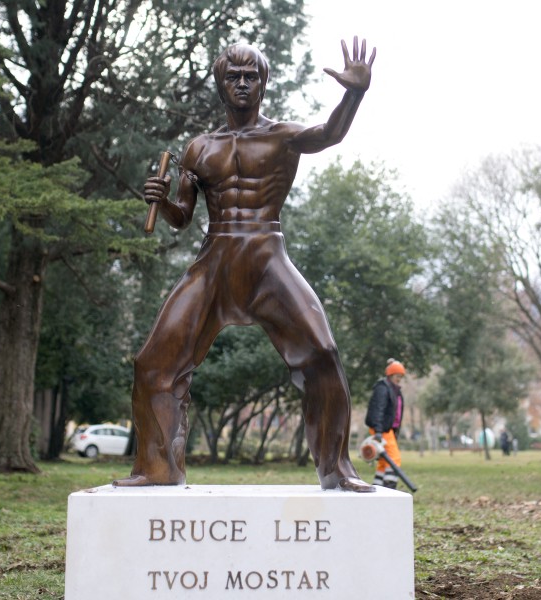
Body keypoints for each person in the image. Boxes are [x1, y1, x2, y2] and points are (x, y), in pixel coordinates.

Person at [114, 37, 377, 492]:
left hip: (266, 257)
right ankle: (157, 468)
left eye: (250, 76)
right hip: (215, 260)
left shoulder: (283, 136)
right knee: (152, 362)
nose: (242, 83)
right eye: (233, 76)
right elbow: (181, 217)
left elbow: (330, 134)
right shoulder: (198, 148)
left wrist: (353, 93)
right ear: (220, 85)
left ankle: (336, 468)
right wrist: (161, 200)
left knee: (323, 354)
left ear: (263, 83)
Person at [365, 359, 406, 488]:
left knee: (383, 462)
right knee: (394, 458)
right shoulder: (382, 388)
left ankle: (378, 488)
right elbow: (378, 410)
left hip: (387, 430)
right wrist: (378, 431)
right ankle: (390, 488)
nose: (399, 379)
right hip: (381, 430)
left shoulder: (394, 390)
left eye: (401, 377)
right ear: (390, 375)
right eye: (397, 376)